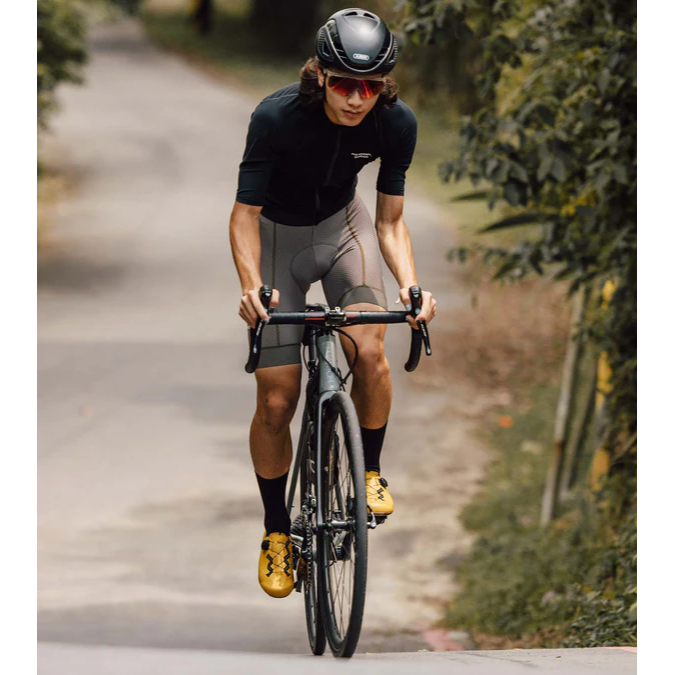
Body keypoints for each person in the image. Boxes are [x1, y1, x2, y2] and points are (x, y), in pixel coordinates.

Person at [229, 8, 437, 599]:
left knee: (370, 350)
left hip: (344, 233)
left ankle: (369, 470)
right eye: (344, 84)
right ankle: (277, 531)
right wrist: (252, 287)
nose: (355, 99)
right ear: (320, 75)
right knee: (277, 400)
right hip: (278, 240)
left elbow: (390, 222)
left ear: (383, 86)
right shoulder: (275, 117)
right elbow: (243, 216)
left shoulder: (396, 124)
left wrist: (411, 286)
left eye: (369, 87)